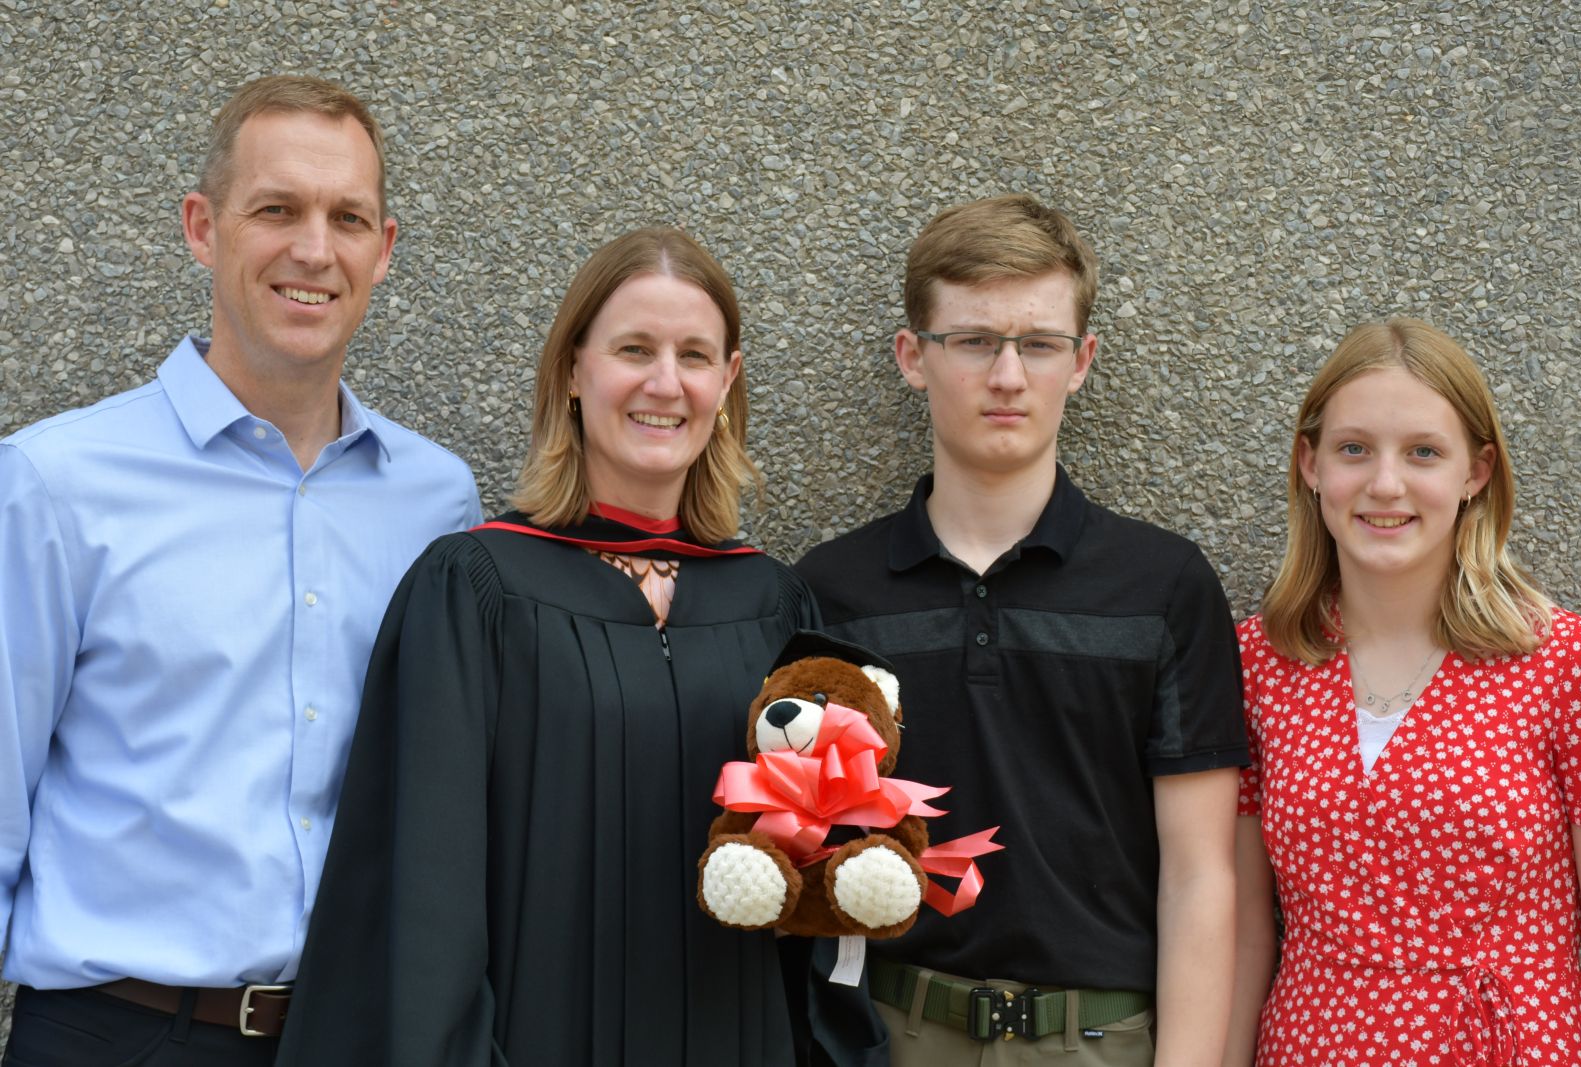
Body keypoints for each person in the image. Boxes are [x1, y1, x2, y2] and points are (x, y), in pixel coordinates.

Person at [0, 76, 480, 1066]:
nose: (314, 248)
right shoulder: (56, 482)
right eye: (276, 209)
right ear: (202, 228)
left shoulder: (437, 502)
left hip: (353, 1032)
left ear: (383, 250)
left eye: (347, 216)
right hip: (116, 1032)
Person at [275, 227, 825, 1066]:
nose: (664, 382)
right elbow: (427, 894)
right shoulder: (476, 588)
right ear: (574, 369)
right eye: (633, 349)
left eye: (695, 355)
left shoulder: (772, 603)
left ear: (728, 381)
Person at [795, 193, 1246, 1066]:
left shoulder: (1163, 585)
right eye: (972, 341)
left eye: (1037, 343)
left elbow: (1201, 874)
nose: (1007, 375)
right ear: (912, 357)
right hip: (890, 1034)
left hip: (1101, 1041)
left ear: (1081, 361)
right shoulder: (829, 592)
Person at [1224, 319, 1581, 1066]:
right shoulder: (1255, 663)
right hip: (1309, 1047)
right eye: (1354, 448)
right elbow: (1242, 933)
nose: (1385, 484)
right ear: (1311, 464)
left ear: (1476, 473)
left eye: (1423, 452)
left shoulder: (1567, 663)